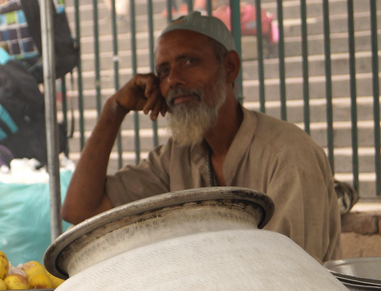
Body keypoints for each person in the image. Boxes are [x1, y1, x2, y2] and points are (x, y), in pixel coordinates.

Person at [61, 11, 341, 263]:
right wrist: (114, 110)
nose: (173, 80)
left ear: (229, 67)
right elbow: (80, 210)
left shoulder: (287, 155)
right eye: (164, 71)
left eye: (190, 61)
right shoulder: (177, 155)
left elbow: (292, 282)